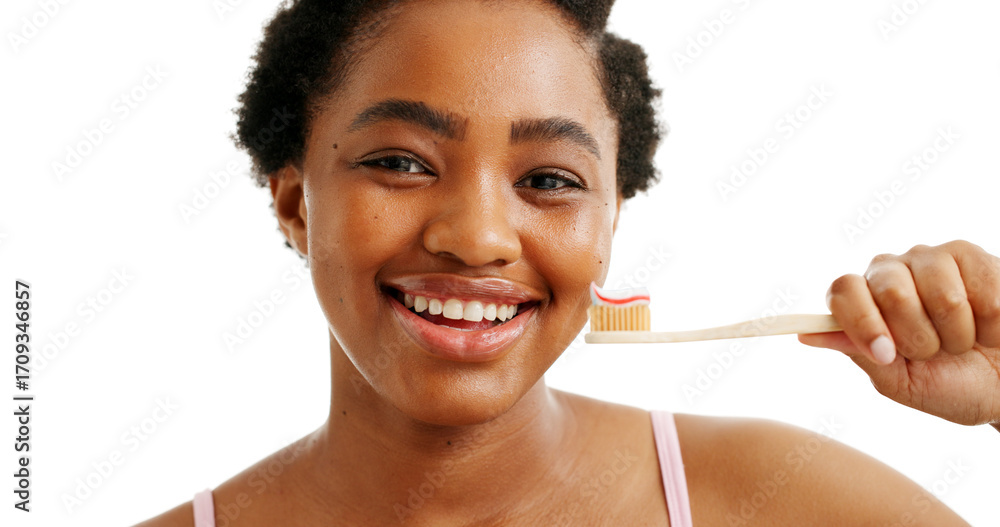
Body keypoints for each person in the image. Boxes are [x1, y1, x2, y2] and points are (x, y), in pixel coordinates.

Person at [136, 0, 999, 525]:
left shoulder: (782, 501)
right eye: (401, 162)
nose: (479, 236)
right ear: (296, 203)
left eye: (549, 180)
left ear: (610, 220)